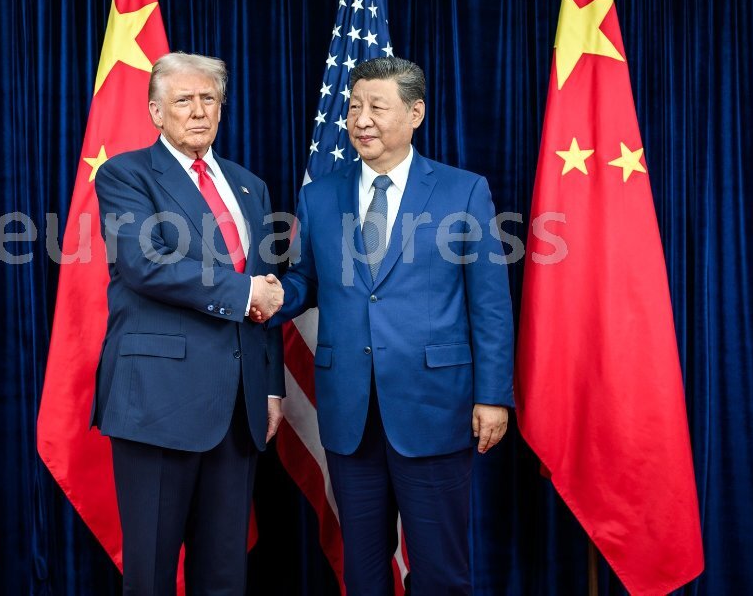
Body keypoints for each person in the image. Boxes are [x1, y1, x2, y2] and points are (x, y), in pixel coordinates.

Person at [273, 57, 514, 595]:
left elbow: (490, 304)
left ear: (415, 113)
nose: (361, 119)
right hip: (348, 410)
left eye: (376, 107)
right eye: (354, 106)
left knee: (440, 569)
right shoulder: (319, 195)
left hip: (435, 404)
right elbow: (304, 282)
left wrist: (494, 395)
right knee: (362, 568)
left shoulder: (463, 192)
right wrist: (265, 295)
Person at [92, 51, 285, 595]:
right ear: (156, 112)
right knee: (151, 573)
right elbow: (144, 263)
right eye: (183, 100)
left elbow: (267, 298)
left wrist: (270, 389)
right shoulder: (126, 174)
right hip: (157, 401)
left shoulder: (250, 185)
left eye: (209, 99)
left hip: (239, 407)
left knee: (224, 573)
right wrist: (245, 290)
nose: (198, 111)